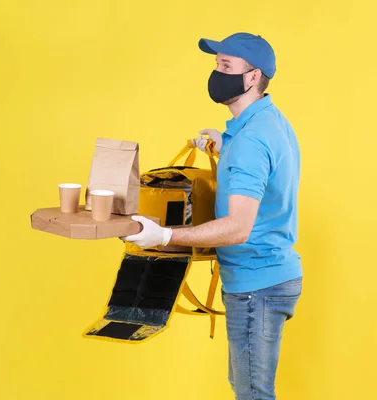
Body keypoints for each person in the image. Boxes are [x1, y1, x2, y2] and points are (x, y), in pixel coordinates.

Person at [121, 32, 302, 400]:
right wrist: (225, 143)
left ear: (252, 77)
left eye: (226, 66)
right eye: (215, 64)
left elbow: (237, 228)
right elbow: (265, 168)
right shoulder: (266, 122)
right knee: (245, 388)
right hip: (267, 278)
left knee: (252, 395)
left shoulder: (251, 140)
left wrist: (165, 236)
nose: (216, 73)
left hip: (257, 287)